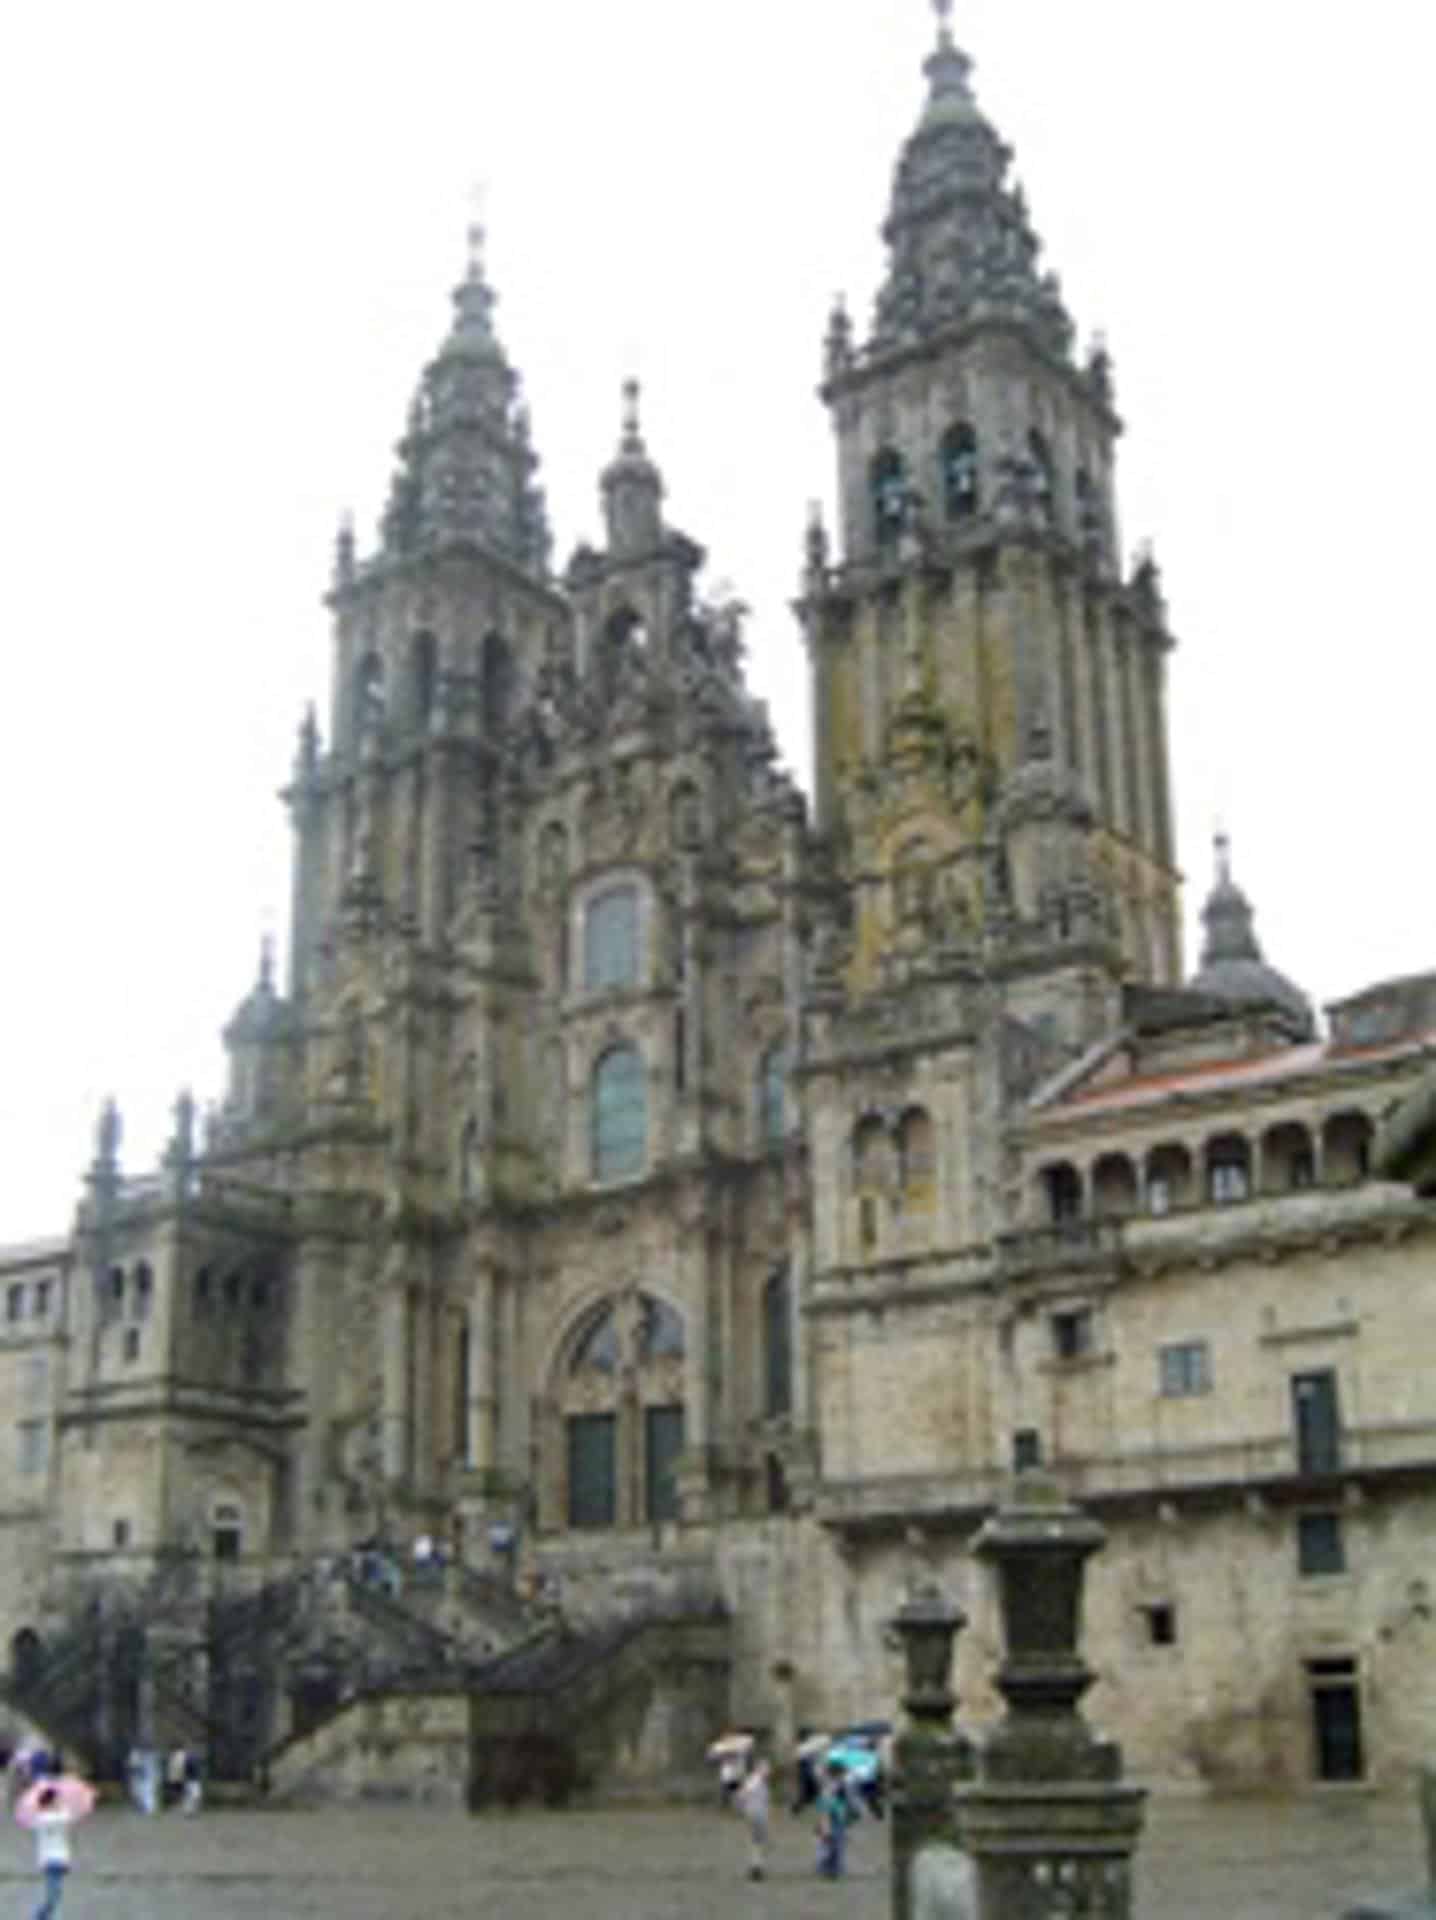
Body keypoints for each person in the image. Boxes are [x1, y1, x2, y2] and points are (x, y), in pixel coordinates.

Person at [28, 1783, 75, 1920]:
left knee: (56, 1895)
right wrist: (62, 1808)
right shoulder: (43, 1818)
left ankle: (44, 1916)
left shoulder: (53, 1816)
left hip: (60, 1858)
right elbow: (66, 1817)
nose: (58, 1801)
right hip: (50, 1860)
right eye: (55, 1799)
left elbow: (64, 1824)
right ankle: (40, 1917)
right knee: (53, 1896)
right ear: (48, 1802)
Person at [735, 1756, 771, 1882]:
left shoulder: (758, 1782)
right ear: (758, 1769)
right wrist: (741, 1808)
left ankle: (756, 1866)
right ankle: (756, 1868)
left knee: (758, 1842)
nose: (768, 1771)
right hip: (756, 1815)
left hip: (758, 1814)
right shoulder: (755, 1781)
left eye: (767, 1768)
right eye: (765, 1768)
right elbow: (742, 1794)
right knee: (758, 1841)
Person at [816, 1762, 852, 1879]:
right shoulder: (830, 1787)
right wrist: (825, 1825)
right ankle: (828, 1869)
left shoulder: (840, 1786)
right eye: (843, 1774)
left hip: (837, 1819)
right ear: (837, 1775)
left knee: (835, 1845)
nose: (845, 1776)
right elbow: (825, 1807)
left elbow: (842, 1804)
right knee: (830, 1845)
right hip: (832, 1820)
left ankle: (833, 1869)